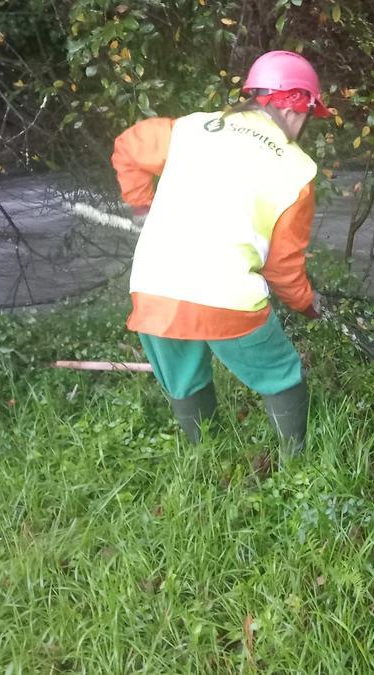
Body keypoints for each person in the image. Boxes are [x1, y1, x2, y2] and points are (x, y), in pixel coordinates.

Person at [110, 51, 331, 454]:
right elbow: (283, 268)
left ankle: (206, 459)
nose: (304, 126)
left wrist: (142, 207)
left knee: (184, 381)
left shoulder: (193, 128)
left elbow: (127, 147)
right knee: (282, 374)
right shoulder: (298, 170)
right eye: (309, 115)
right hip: (228, 300)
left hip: (154, 290)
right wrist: (306, 304)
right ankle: (297, 467)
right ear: (298, 106)